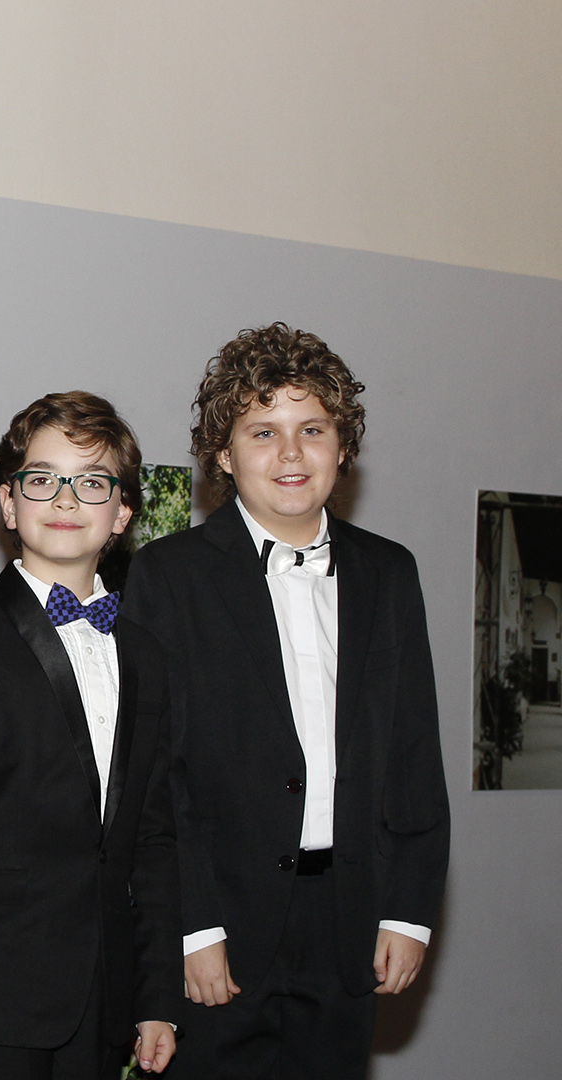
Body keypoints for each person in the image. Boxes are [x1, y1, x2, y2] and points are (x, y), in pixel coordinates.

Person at [123, 325, 449, 1078]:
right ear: (225, 456)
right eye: (262, 432)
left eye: (313, 430)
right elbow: (155, 774)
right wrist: (192, 927)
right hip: (220, 926)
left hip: (351, 921)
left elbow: (414, 749)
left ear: (343, 447)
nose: (292, 454)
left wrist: (407, 910)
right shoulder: (169, 577)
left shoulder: (390, 572)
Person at [0, 392, 180, 1079]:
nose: (66, 499)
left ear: (122, 512)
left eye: (92, 482)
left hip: (106, 996)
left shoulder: (147, 654)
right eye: (42, 479)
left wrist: (157, 996)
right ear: (9, 503)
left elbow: (153, 836)